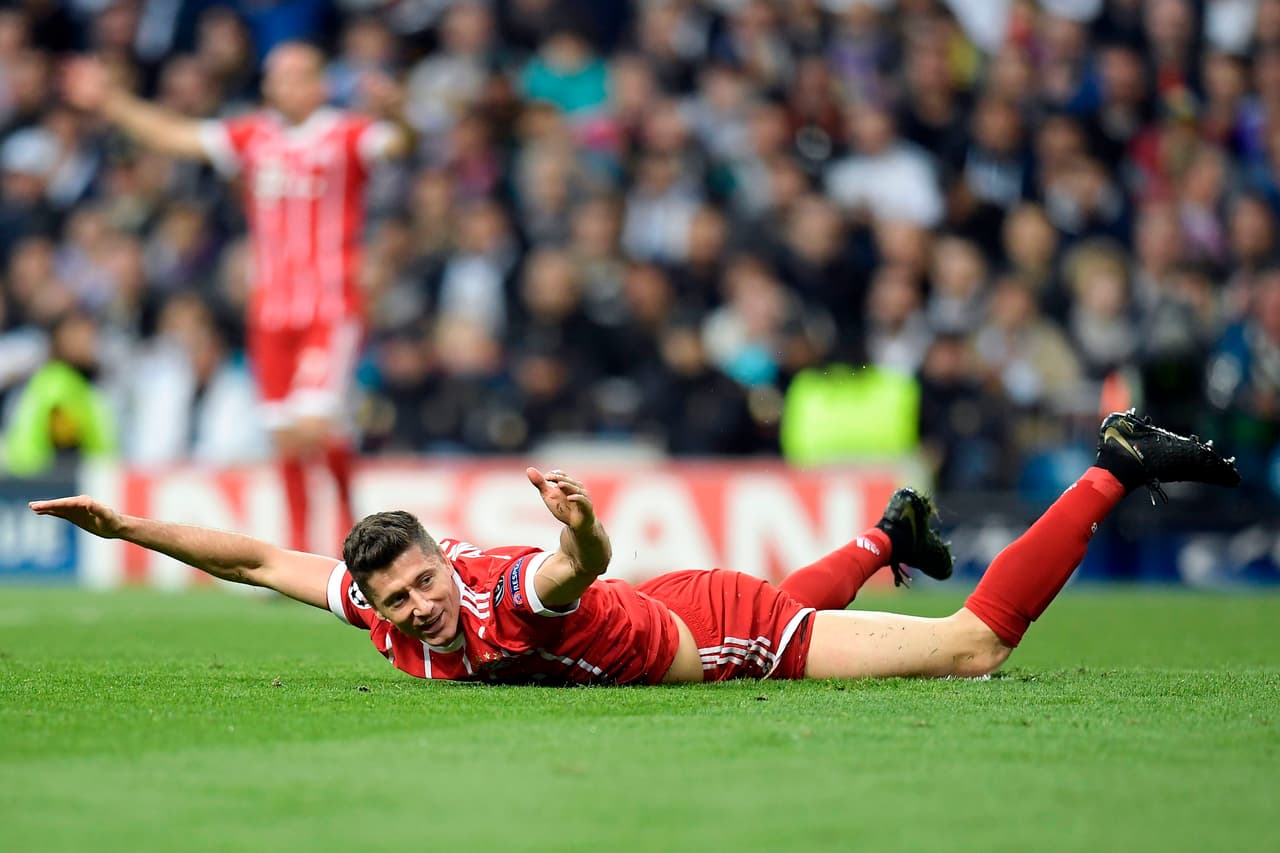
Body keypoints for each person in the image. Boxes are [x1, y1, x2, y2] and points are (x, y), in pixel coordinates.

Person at [30, 412, 1240, 684]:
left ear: (455, 567)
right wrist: (127, 524)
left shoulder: (509, 597)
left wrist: (579, 530)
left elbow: (572, 573)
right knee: (777, 585)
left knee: (969, 649)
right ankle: (885, 534)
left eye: (422, 588)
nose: (414, 612)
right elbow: (252, 558)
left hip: (712, 631)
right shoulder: (381, 593)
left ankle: (1115, 462)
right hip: (674, 600)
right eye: (395, 601)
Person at [61, 44, 412, 552]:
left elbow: (401, 142)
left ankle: (351, 538)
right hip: (269, 312)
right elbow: (174, 137)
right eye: (277, 76)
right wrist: (112, 101)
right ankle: (300, 550)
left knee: (313, 424)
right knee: (286, 437)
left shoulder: (347, 133)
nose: (285, 85)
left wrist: (396, 109)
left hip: (328, 308)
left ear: (319, 83)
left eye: (297, 75)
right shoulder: (253, 136)